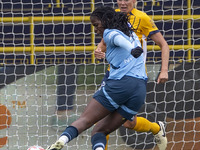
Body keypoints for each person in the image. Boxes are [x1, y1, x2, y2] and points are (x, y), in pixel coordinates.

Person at [46, 6, 149, 150]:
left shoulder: (110, 32)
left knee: (85, 120)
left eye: (96, 25)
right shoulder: (131, 33)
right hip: (139, 90)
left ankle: (60, 142)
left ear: (106, 21)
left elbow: (118, 39)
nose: (95, 30)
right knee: (99, 131)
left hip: (121, 85)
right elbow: (122, 42)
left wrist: (131, 49)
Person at [94, 0, 169, 150]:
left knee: (130, 123)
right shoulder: (111, 17)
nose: (122, 3)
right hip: (113, 76)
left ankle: (156, 129)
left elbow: (163, 44)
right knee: (100, 118)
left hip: (135, 78)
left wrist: (164, 70)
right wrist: (98, 51)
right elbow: (103, 44)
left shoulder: (142, 18)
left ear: (134, 1)